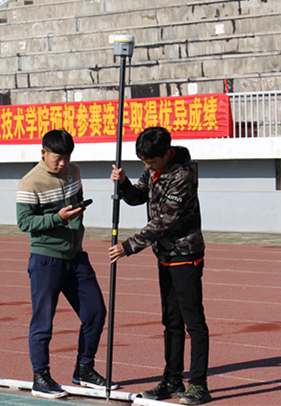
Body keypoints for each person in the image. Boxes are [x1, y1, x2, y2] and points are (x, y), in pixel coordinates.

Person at [108, 126, 212, 405]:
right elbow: (137, 197)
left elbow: (165, 220)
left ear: (166, 153)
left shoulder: (182, 175)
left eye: (151, 161)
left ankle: (199, 385)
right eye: (143, 161)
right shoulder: (153, 168)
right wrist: (124, 183)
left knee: (194, 322)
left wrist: (129, 246)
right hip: (164, 255)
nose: (147, 166)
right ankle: (172, 380)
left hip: (185, 255)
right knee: (171, 322)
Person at [16, 129, 116, 399]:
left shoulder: (75, 171)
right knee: (43, 321)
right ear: (43, 153)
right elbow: (24, 222)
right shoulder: (30, 182)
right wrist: (58, 218)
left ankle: (84, 368)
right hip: (46, 259)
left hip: (76, 256)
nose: (62, 164)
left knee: (96, 312)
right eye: (57, 158)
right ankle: (40, 377)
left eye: (67, 158)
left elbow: (76, 201)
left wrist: (77, 212)